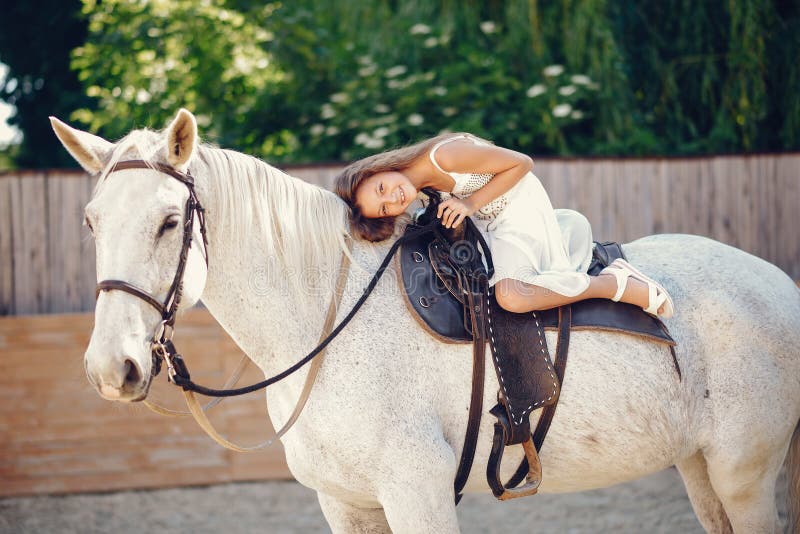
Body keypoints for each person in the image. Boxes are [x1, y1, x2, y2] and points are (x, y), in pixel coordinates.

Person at [334, 132, 673, 318]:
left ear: (378, 169)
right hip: (488, 217)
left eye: (381, 189)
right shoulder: (422, 185)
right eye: (385, 208)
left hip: (516, 203)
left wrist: (468, 204)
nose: (393, 199)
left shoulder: (445, 156)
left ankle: (613, 283)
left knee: (511, 296)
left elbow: (522, 164)